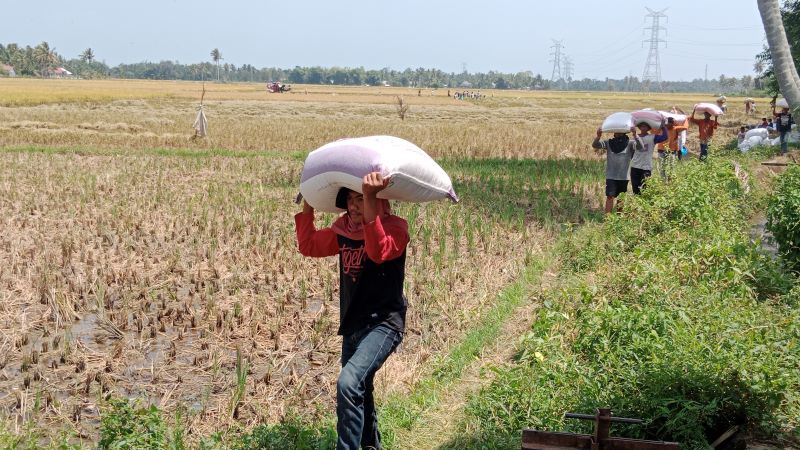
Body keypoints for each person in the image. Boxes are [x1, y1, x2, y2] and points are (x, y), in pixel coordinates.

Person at [295, 172, 408, 450]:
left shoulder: (396, 229)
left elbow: (379, 251)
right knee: (361, 388)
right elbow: (308, 245)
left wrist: (370, 197)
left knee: (348, 383)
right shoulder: (344, 231)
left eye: (362, 199)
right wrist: (308, 205)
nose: (355, 206)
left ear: (383, 202)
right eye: (351, 200)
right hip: (353, 326)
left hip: (384, 324)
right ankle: (372, 445)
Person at [592, 126, 641, 214]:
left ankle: (618, 219)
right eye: (616, 132)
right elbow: (595, 145)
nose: (618, 133)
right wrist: (598, 136)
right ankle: (608, 219)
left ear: (624, 132)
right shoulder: (609, 143)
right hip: (611, 176)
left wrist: (635, 135)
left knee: (621, 198)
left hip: (623, 177)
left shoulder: (630, 143)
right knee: (610, 197)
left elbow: (640, 146)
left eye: (620, 132)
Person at [631, 121, 668, 194]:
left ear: (648, 128)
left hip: (646, 167)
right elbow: (631, 152)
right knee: (635, 190)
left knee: (645, 189)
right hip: (635, 166)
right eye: (642, 126)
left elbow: (665, 137)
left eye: (645, 126)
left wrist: (663, 126)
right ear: (639, 127)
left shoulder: (653, 137)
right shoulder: (634, 138)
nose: (643, 128)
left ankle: (645, 203)